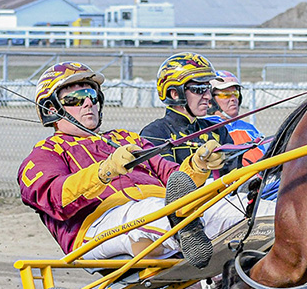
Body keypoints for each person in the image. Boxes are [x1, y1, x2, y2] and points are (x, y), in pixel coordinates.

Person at [18, 62, 265, 268]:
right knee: (150, 210)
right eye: (76, 98)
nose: (88, 103)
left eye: (92, 96)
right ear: (51, 108)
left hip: (161, 210)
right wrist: (104, 171)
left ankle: (278, 221)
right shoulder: (44, 153)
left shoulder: (124, 138)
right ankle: (183, 225)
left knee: (231, 205)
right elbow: (54, 197)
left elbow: (172, 176)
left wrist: (198, 166)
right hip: (98, 226)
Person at [141, 52, 235, 174]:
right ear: (174, 94)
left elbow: (235, 175)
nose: (208, 96)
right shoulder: (155, 134)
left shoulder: (217, 131)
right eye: (199, 89)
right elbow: (170, 181)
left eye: (208, 89)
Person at [206, 70, 266, 165]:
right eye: (226, 94)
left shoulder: (249, 128)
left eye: (236, 94)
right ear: (210, 101)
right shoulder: (206, 127)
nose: (233, 99)